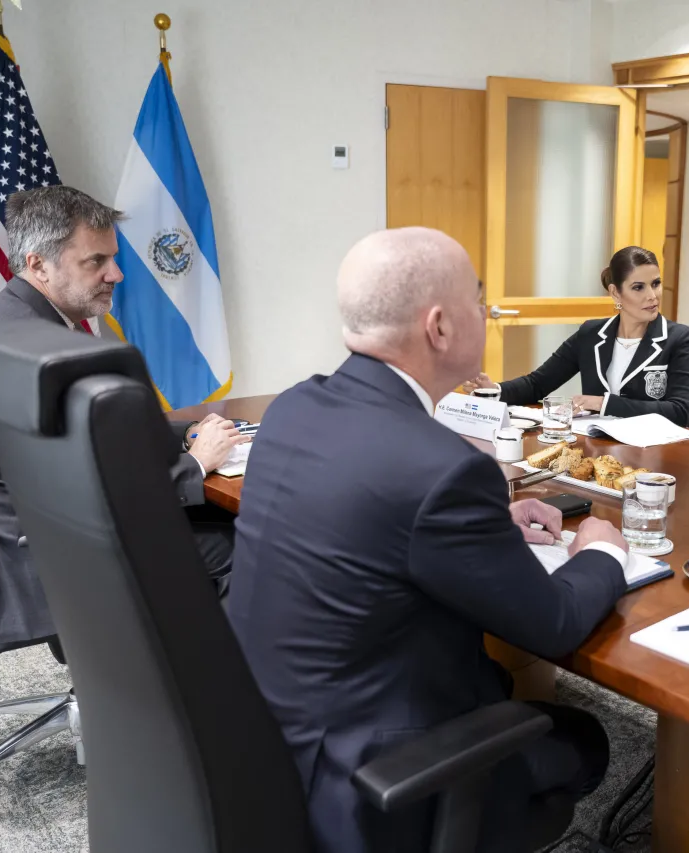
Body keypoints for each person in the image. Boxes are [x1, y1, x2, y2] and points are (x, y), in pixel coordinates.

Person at [226, 227, 630, 853]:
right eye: (480, 303)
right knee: (586, 741)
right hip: (372, 784)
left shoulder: (294, 407)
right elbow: (553, 625)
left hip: (263, 738)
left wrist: (486, 517)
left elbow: (374, 515)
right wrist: (601, 548)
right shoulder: (441, 469)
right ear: (440, 327)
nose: (488, 317)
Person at [0, 186, 247, 650]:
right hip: (50, 557)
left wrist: (188, 432)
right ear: (37, 264)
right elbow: (99, 493)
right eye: (96, 261)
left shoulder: (17, 323)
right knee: (243, 546)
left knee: (220, 516)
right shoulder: (43, 357)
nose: (118, 273)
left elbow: (94, 443)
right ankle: (217, 701)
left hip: (33, 530)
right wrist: (195, 466)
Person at [462, 246, 689, 426]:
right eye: (639, 287)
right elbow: (538, 383)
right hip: (596, 450)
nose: (652, 296)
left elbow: (679, 412)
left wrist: (602, 403)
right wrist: (493, 390)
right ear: (615, 292)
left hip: (653, 453)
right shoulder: (591, 333)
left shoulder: (681, 339)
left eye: (656, 284)